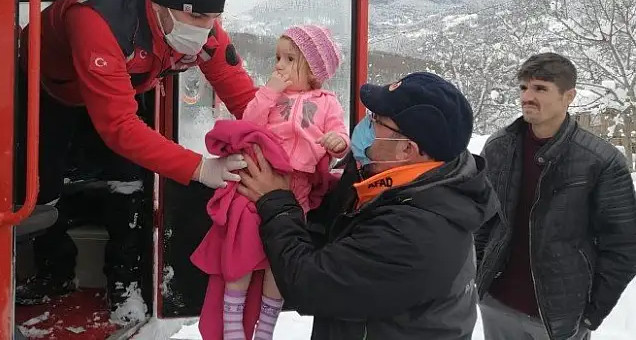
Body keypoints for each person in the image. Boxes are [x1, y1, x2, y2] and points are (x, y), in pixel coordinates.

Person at [14, 0, 257, 322]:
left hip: (123, 87)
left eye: (215, 16)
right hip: (47, 90)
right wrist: (199, 168)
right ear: (159, 6)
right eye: (198, 17)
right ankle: (52, 273)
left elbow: (245, 97)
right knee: (42, 186)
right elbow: (119, 127)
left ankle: (125, 284)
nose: (208, 29)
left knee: (130, 181)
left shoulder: (200, 26)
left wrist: (282, 140)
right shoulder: (96, 17)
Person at [237, 72, 496, 339]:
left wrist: (277, 203)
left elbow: (309, 282)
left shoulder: (416, 232)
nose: (365, 125)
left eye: (376, 120)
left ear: (407, 150)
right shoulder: (402, 183)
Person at [194, 24, 349, 340]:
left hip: (298, 189)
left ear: (313, 68)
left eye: (288, 59)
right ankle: (233, 324)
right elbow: (248, 123)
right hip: (258, 182)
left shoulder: (327, 102)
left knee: (278, 261)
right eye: (277, 57)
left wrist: (338, 142)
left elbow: (339, 134)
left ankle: (266, 328)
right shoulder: (271, 98)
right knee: (242, 249)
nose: (278, 65)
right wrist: (269, 91)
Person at [475, 52, 636, 340]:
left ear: (568, 96)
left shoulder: (600, 161)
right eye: (524, 87)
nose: (527, 96)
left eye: (540, 88)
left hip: (558, 318)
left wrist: (591, 313)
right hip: (496, 304)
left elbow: (624, 246)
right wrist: (477, 280)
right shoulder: (499, 147)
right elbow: (482, 220)